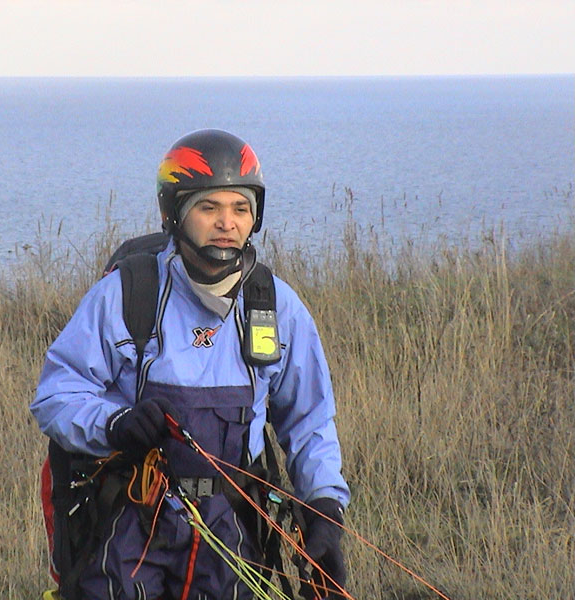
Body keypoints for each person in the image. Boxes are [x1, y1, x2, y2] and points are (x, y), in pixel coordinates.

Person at [31, 129, 350, 600]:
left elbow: (310, 420)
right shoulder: (125, 296)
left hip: (233, 527)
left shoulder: (275, 306)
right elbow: (56, 395)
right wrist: (114, 423)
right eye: (209, 208)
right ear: (174, 214)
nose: (227, 223)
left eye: (240, 209)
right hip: (130, 521)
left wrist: (325, 507)